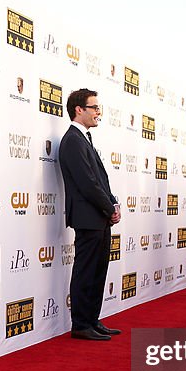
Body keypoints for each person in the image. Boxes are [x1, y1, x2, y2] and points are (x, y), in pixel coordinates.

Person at [58, 88, 121, 340]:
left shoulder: (84, 138)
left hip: (99, 216)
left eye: (98, 107)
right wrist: (109, 208)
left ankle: (92, 320)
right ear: (79, 109)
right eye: (94, 107)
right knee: (86, 271)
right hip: (88, 217)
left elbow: (99, 180)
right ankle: (81, 324)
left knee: (98, 271)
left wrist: (112, 205)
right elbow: (87, 184)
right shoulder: (73, 140)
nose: (99, 112)